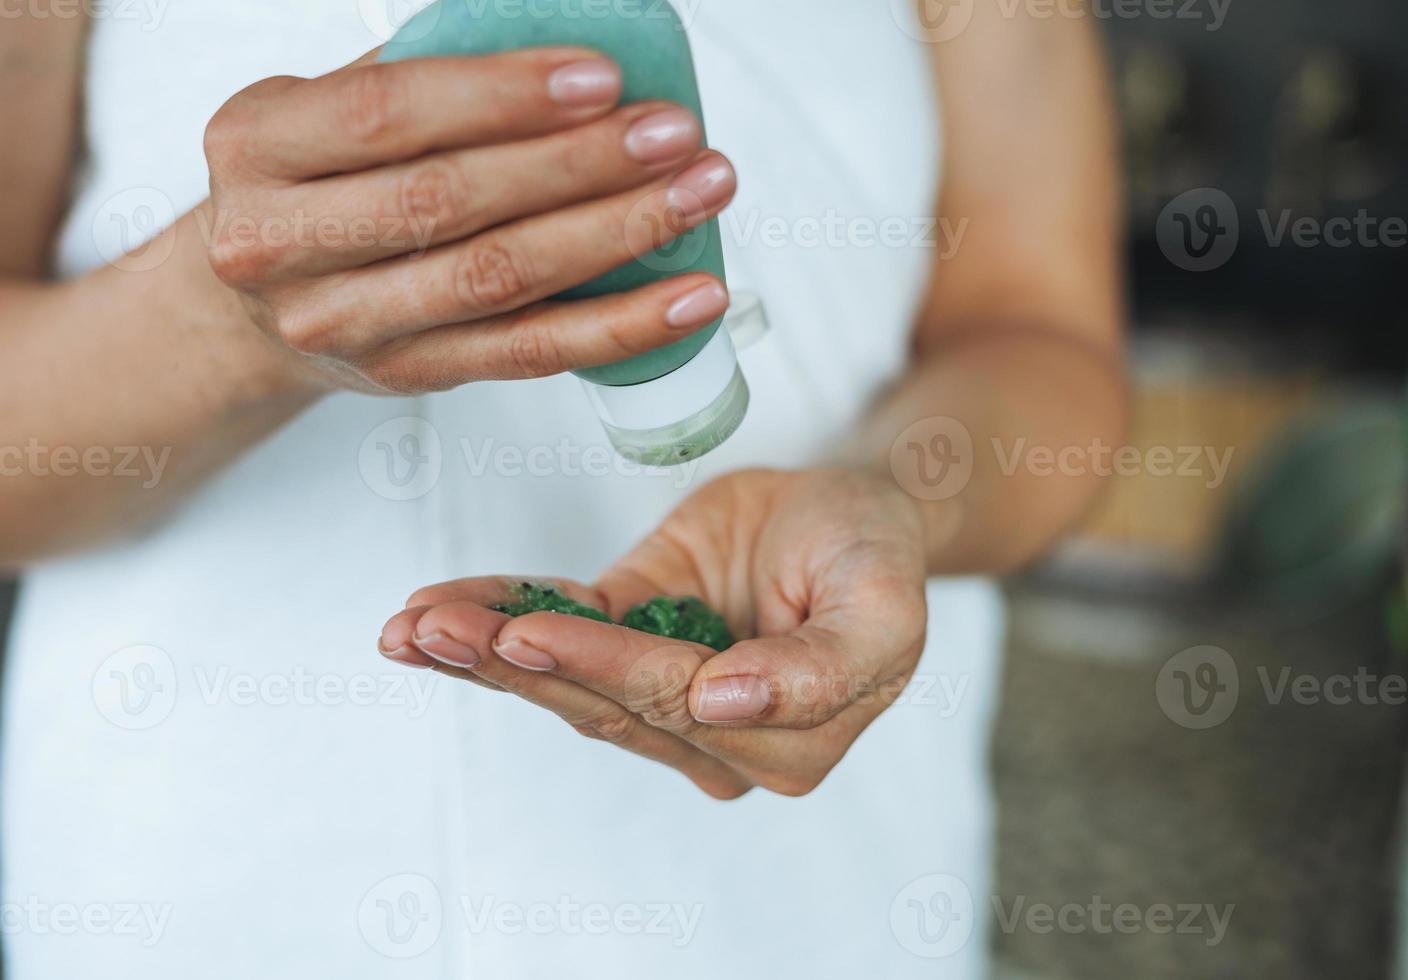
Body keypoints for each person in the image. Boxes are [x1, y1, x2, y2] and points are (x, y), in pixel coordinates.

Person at [0, 0, 1123, 976]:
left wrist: (895, 495)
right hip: (216, 895)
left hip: (801, 913)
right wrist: (227, 318)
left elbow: (1044, 341)